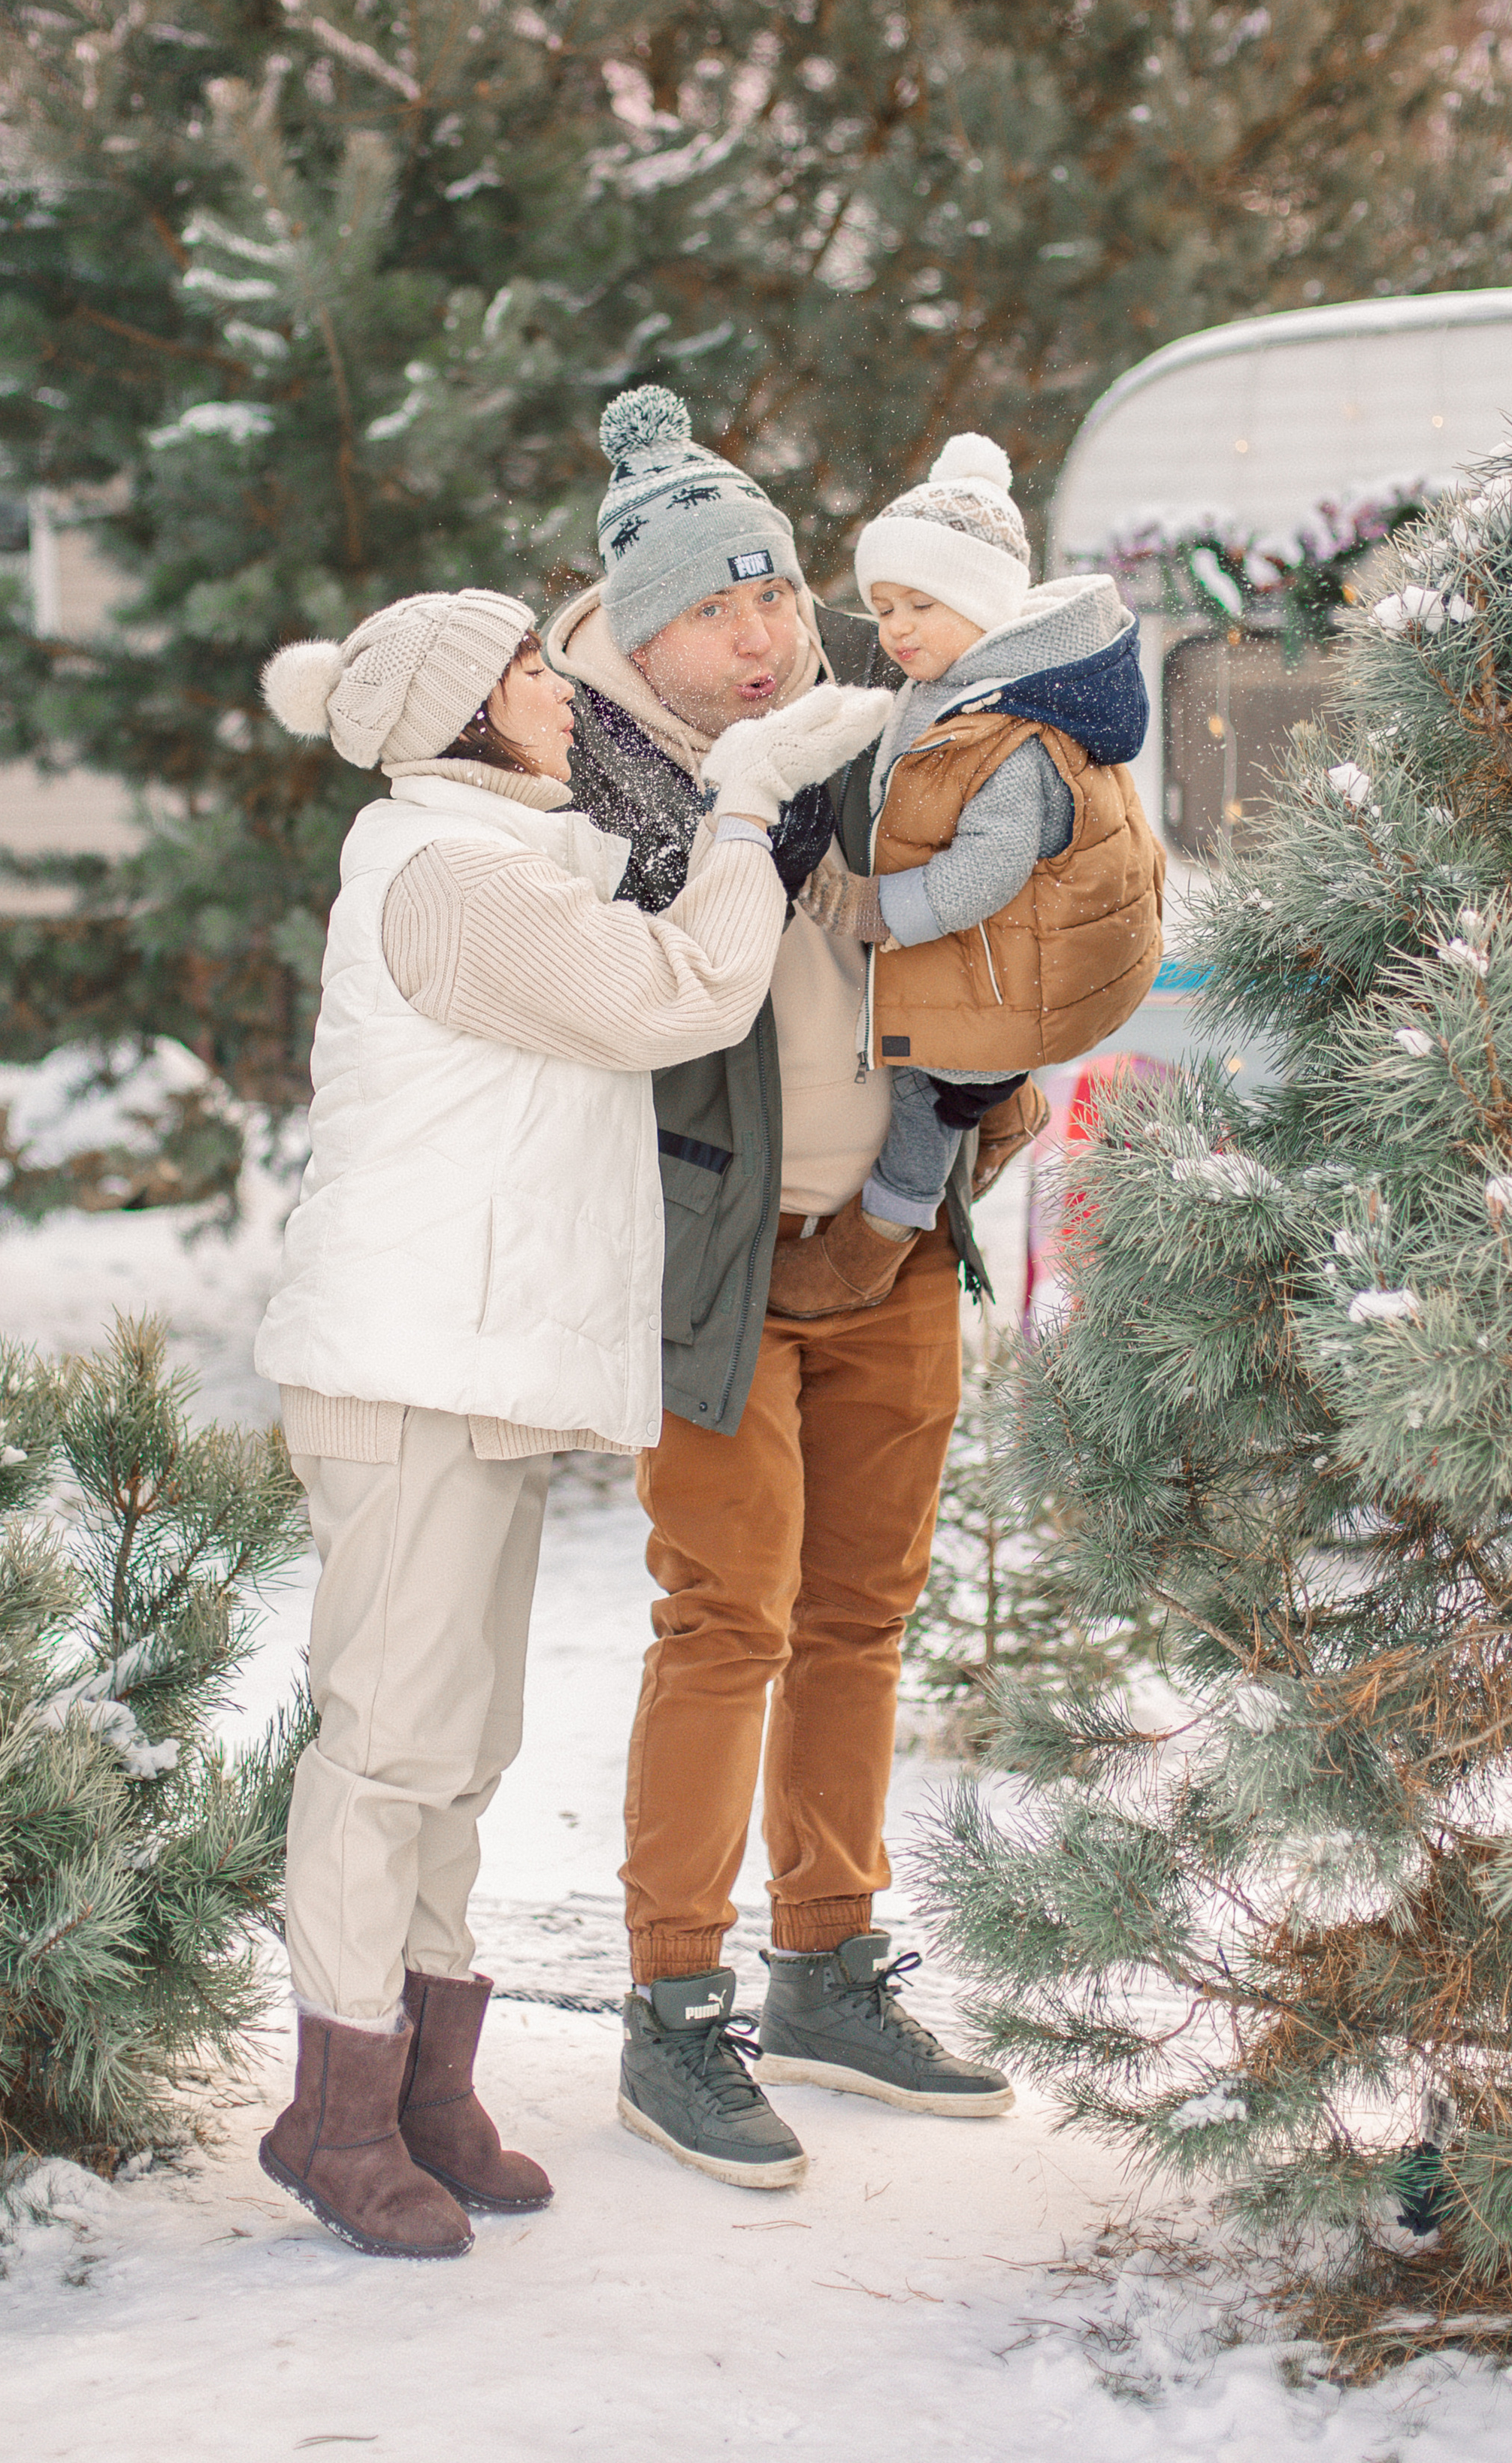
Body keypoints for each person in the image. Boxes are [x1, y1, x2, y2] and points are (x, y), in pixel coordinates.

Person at [251, 585, 887, 2259]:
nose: (558, 688)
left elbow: (634, 914)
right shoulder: (442, 882)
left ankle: (426, 2090)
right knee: (386, 1745)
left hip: (478, 1372)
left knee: (456, 1754)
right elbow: (682, 993)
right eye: (526, 670)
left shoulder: (507, 858)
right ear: (458, 717)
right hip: (406, 1372)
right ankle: (331, 2111)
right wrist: (742, 803)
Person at [549, 389, 1036, 2194]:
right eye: (717, 607)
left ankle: (826, 1960)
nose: (763, 634)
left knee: (856, 1614)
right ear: (645, 626)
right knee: (723, 1618)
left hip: (895, 1243)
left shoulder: (869, 728)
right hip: (724, 1276)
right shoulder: (589, 789)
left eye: (774, 594)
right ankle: (671, 2002)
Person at [764, 433, 1163, 1319]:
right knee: (941, 1085)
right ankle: (981, 1115)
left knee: (923, 1092)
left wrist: (883, 910)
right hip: (988, 954)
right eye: (884, 606)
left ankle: (876, 1244)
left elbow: (985, 870)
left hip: (999, 964)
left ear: (983, 608)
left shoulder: (1008, 732)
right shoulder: (954, 685)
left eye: (920, 605)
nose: (896, 629)